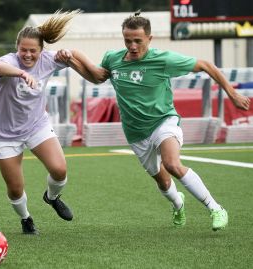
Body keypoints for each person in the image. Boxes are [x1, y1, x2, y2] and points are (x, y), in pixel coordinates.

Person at [56, 11, 251, 231]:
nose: (132, 45)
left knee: (172, 164)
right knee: (163, 182)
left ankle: (215, 208)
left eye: (138, 41)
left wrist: (232, 94)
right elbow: (98, 77)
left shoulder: (163, 60)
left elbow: (206, 65)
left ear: (149, 39)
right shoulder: (113, 58)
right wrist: (71, 60)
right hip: (136, 133)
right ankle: (178, 204)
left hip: (163, 122)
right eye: (128, 40)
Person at [0, 10, 107, 235]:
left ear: (42, 50)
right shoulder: (8, 61)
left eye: (33, 50)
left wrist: (68, 55)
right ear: (17, 48)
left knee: (59, 169)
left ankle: (51, 197)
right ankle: (26, 218)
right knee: (15, 189)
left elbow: (74, 54)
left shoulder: (47, 60)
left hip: (36, 126)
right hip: (5, 134)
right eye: (23, 50)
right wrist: (22, 74)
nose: (28, 55)